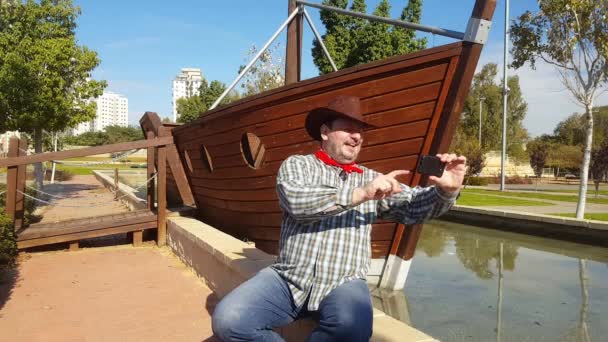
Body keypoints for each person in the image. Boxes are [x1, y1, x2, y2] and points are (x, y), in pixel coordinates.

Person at [212, 95, 465, 341]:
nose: (356, 136)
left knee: (352, 328)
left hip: (342, 282)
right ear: (324, 132)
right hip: (289, 278)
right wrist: (362, 193)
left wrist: (447, 190)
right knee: (229, 320)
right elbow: (298, 202)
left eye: (360, 131)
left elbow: (414, 207)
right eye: (347, 128)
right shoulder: (298, 166)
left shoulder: (372, 177)